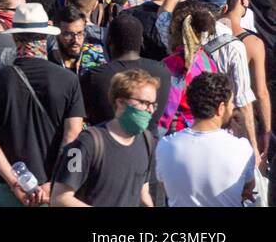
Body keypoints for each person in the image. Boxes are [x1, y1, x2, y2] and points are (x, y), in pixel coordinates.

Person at [0, 3, 85, 206]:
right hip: (54, 189)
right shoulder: (68, 80)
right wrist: (57, 181)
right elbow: (73, 136)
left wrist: (15, 182)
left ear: (15, 37)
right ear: (46, 37)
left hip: (7, 189)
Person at [52, 69, 158, 207]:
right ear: (120, 102)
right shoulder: (86, 143)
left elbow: (143, 192)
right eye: (144, 102)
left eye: (153, 104)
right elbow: (59, 198)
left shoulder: (147, 141)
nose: (149, 110)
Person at [155, 72, 257, 206]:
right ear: (220, 108)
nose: (233, 107)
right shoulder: (242, 148)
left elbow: (164, 184)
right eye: (231, 102)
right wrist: (242, 131)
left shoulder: (165, 146)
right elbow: (249, 187)